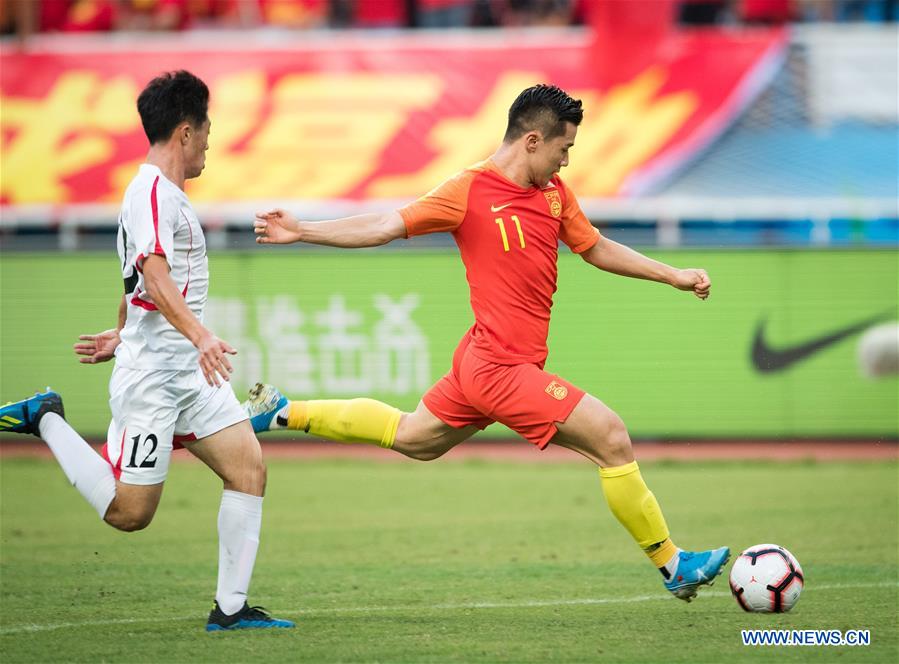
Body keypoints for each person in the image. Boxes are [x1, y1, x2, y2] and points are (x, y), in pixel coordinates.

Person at [247, 83, 729, 601]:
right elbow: (385, 225)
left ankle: (281, 411)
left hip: (484, 363)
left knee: (413, 437)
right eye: (563, 150)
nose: (566, 162)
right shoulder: (467, 190)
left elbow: (595, 247)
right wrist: (305, 232)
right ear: (533, 140)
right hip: (499, 367)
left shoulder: (553, 194)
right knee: (610, 436)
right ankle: (672, 563)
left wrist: (672, 275)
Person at [0, 70, 294, 632]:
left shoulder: (159, 197)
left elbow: (136, 285)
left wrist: (125, 330)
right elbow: (154, 274)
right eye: (206, 128)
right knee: (130, 513)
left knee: (249, 469)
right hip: (156, 381)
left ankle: (230, 610)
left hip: (186, 374)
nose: (210, 139)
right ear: (186, 131)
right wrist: (202, 336)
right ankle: (47, 420)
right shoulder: (154, 194)